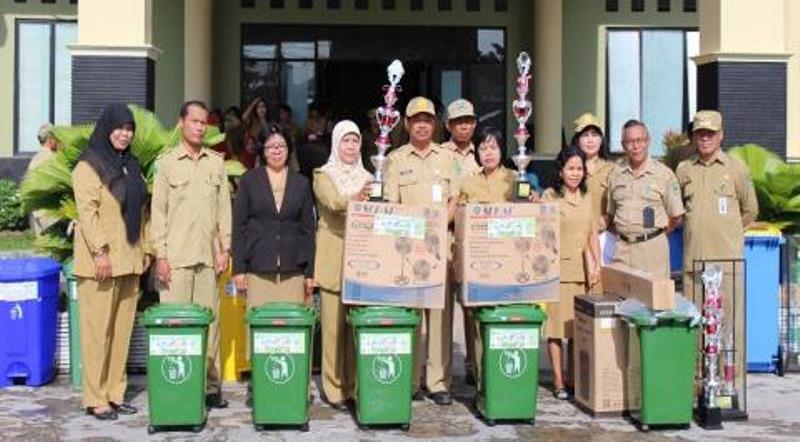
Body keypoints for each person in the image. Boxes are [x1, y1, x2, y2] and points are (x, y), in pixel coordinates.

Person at [151, 101, 232, 409]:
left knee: (211, 326)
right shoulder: (167, 163)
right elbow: (158, 212)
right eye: (194, 121)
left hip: (209, 259)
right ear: (181, 123)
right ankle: (178, 384)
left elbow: (224, 210)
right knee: (177, 326)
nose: (200, 127)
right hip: (176, 260)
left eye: (204, 122)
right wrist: (160, 254)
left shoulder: (216, 163)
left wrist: (225, 247)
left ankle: (211, 387)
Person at [72, 104, 150, 420]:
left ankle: (115, 393)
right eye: (119, 127)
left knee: (121, 331)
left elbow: (143, 212)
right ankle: (95, 397)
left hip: (130, 260)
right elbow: (87, 213)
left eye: (129, 128)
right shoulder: (88, 166)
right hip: (100, 263)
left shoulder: (133, 165)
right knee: (97, 332)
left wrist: (147, 249)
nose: (125, 133)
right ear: (107, 128)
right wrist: (100, 252)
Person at [676, 110, 758, 394]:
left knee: (730, 326)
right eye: (700, 133)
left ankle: (731, 385)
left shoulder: (736, 168)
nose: (705, 138)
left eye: (710, 133)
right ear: (694, 136)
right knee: (696, 325)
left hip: (726, 264)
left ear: (721, 135)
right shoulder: (684, 169)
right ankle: (698, 384)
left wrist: (729, 234)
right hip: (693, 265)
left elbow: (750, 211)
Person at [384, 96, 459, 405]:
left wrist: (438, 228)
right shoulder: (395, 159)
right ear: (407, 124)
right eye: (417, 120)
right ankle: (411, 380)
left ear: (435, 124)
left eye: (428, 119)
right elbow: (390, 203)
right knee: (410, 316)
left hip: (440, 248)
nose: (423, 124)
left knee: (439, 319)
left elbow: (455, 199)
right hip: (408, 250)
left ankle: (438, 382)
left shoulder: (447, 158)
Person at [312, 120, 372, 410]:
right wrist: (360, 198)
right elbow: (333, 202)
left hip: (363, 259)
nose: (350, 146)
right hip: (334, 256)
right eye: (345, 141)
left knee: (355, 326)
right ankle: (333, 388)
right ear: (336, 143)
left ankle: (354, 386)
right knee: (334, 329)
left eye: (355, 141)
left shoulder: (370, 176)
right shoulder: (323, 174)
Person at [456, 126, 515, 389]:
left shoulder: (515, 179)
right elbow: (458, 219)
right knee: (476, 320)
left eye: (493, 147)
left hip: (507, 263)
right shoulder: (468, 181)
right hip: (477, 263)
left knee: (501, 318)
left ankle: (502, 374)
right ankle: (480, 376)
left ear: (502, 150)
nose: (488, 153)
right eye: (483, 148)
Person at [231, 124, 316, 307]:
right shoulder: (249, 180)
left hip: (293, 272)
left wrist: (309, 273)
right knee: (260, 330)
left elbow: (308, 231)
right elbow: (239, 227)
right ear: (263, 151)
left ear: (288, 150)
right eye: (271, 146)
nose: (276, 150)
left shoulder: (301, 183)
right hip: (258, 271)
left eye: (281, 145)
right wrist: (239, 269)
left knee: (292, 332)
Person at [541, 145, 601, 400]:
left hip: (582, 272)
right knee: (555, 330)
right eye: (570, 168)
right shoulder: (550, 196)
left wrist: (598, 264)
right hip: (558, 271)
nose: (575, 173)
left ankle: (575, 378)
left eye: (579, 168)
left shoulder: (588, 197)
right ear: (561, 170)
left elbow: (592, 234)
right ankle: (558, 380)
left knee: (578, 329)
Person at [605, 120, 684, 277]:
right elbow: (611, 213)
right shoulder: (615, 174)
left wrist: (654, 234)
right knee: (622, 299)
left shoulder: (664, 174)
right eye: (630, 141)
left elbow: (676, 216)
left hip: (652, 250)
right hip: (623, 251)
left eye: (639, 140)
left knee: (655, 300)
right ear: (623, 145)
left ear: (647, 141)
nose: (635, 146)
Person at [441, 98, 481, 385]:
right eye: (458, 121)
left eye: (468, 120)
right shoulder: (441, 154)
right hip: (447, 236)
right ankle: (441, 373)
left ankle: (475, 368)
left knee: (473, 307)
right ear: (448, 125)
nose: (464, 125)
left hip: (476, 242)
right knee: (443, 308)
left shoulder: (486, 153)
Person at [27, 123, 60, 234]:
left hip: (38, 213)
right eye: (56, 137)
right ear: (50, 139)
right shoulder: (51, 159)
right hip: (50, 215)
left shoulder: (35, 159)